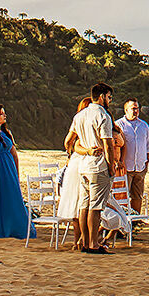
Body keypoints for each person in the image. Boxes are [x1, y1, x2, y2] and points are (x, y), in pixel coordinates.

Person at [70, 82, 116, 254]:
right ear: (102, 96)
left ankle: (85, 242)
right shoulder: (103, 115)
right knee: (95, 207)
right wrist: (111, 166)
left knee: (84, 205)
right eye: (109, 97)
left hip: (84, 164)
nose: (110, 101)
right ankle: (93, 244)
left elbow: (74, 144)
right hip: (98, 166)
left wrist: (87, 150)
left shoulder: (80, 115)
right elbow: (108, 144)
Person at [0, 105, 35, 241]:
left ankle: (16, 227)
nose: (4, 116)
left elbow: (14, 154)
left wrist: (16, 172)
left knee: (13, 196)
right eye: (1, 114)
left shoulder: (6, 133)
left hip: (9, 168)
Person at [58, 97, 91, 250]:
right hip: (84, 161)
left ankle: (79, 240)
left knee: (77, 203)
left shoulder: (78, 120)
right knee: (82, 203)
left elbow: (67, 141)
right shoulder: (90, 121)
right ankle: (84, 239)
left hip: (76, 161)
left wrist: (70, 153)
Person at [116, 98, 149, 214]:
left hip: (140, 167)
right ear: (126, 110)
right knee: (123, 195)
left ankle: (135, 221)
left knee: (137, 196)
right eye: (133, 108)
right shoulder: (119, 125)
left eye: (137, 108)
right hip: (125, 167)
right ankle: (123, 220)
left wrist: (146, 163)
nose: (136, 111)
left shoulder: (144, 126)